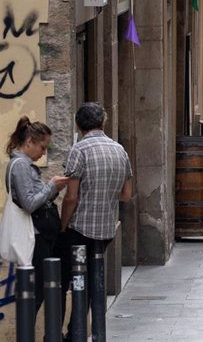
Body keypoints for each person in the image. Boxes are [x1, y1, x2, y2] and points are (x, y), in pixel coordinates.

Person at [59, 102, 133, 338]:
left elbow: (71, 197)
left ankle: (71, 332)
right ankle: (79, 331)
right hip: (106, 228)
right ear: (103, 122)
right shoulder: (119, 150)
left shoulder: (79, 150)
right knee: (93, 282)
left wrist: (63, 225)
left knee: (65, 279)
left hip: (79, 228)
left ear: (78, 125)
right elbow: (126, 194)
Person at [4, 117, 68, 315]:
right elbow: (30, 203)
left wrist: (54, 189)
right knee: (38, 290)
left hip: (40, 234)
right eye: (42, 147)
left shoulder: (25, 165)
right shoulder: (21, 166)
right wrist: (51, 186)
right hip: (35, 235)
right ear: (29, 141)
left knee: (41, 288)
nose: (43, 153)